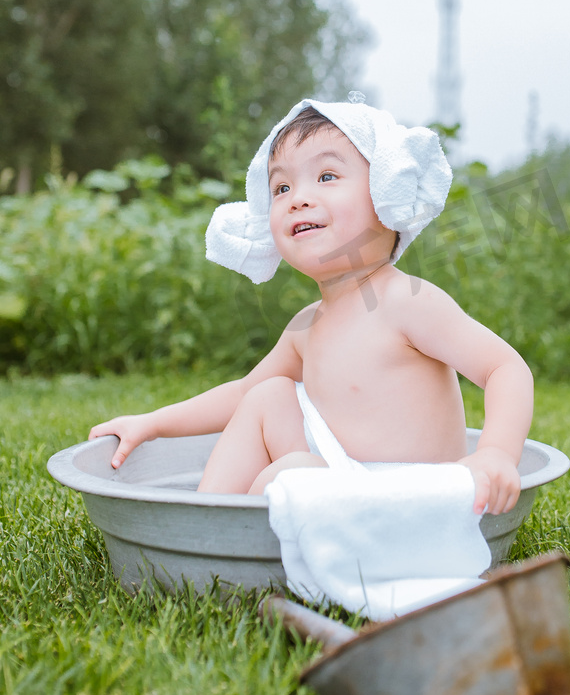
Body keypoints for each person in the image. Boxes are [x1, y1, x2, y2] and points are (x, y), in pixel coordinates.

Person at [89, 98, 533, 515]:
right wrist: (151, 423)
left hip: (412, 500)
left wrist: (494, 454)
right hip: (344, 481)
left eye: (326, 177)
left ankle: (239, 540)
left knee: (290, 474)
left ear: (386, 194)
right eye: (281, 186)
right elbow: (242, 394)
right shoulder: (306, 326)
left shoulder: (406, 302)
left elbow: (504, 368)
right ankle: (206, 518)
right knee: (266, 396)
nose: (297, 197)